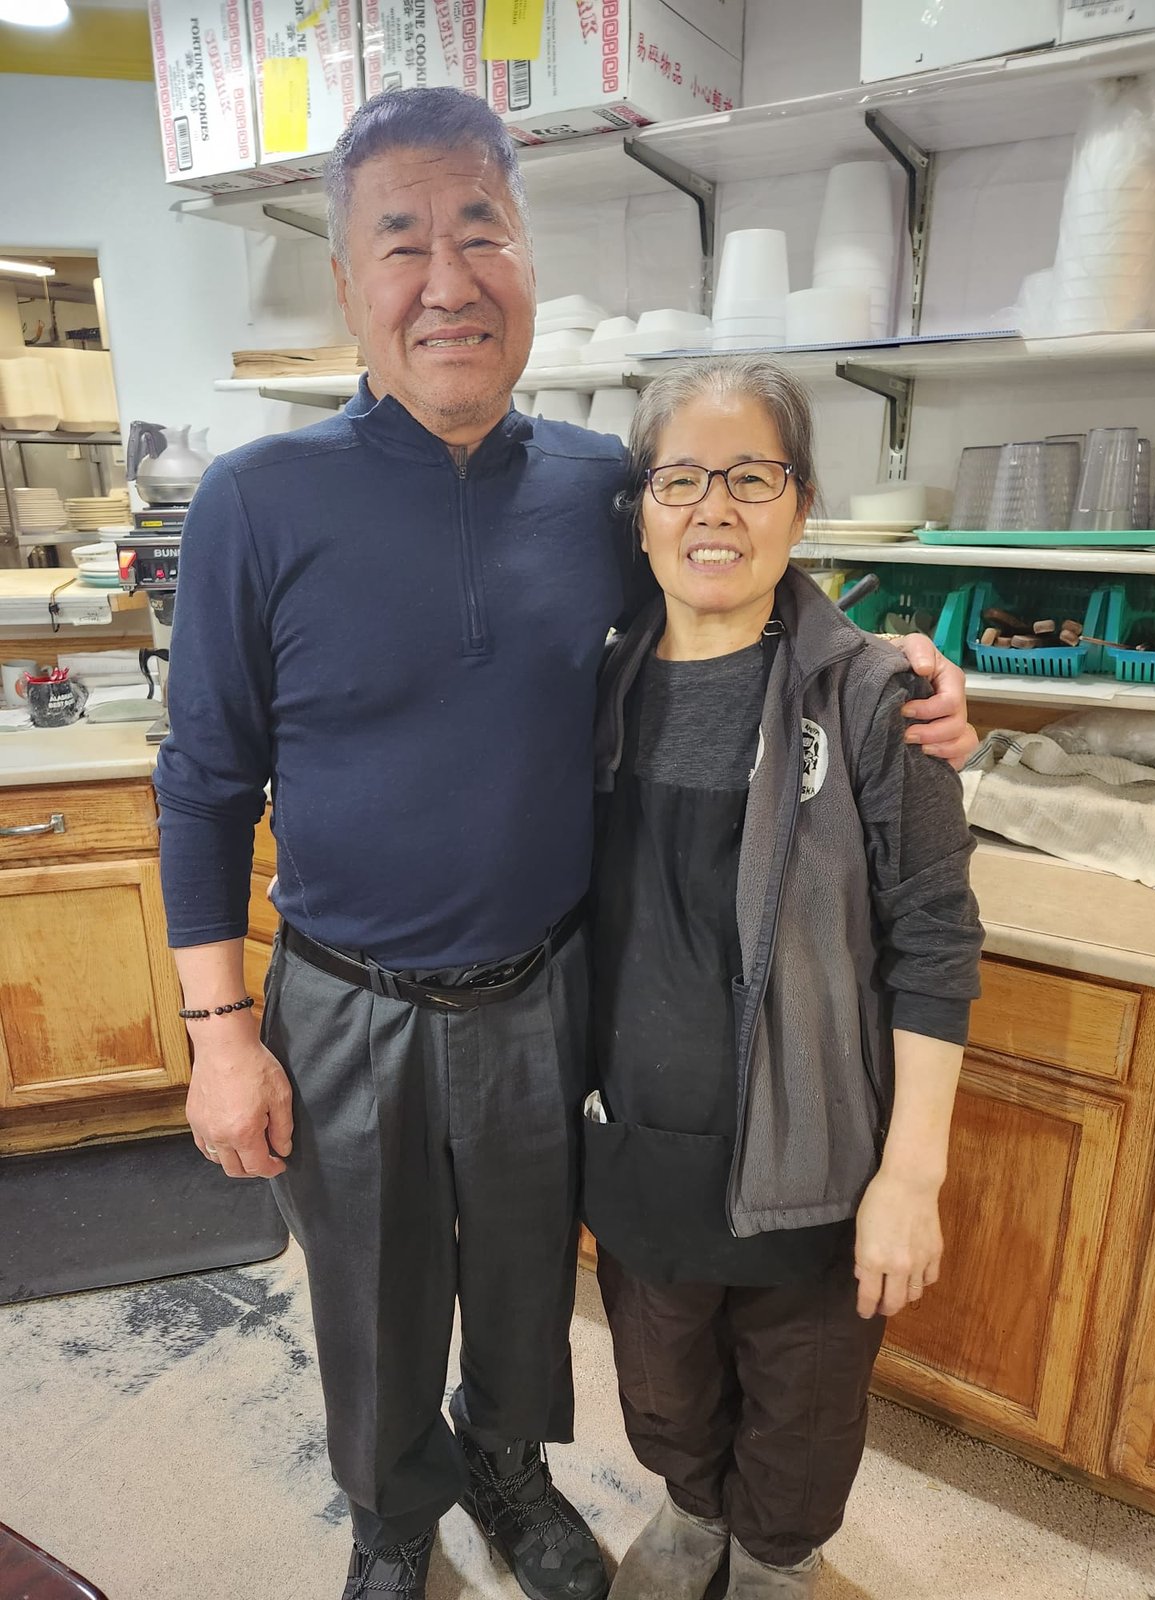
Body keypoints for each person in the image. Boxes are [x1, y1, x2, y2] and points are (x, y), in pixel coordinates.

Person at [154, 87, 977, 1600]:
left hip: (546, 990)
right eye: (401, 242)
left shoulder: (603, 485)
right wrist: (220, 1034)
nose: (447, 281)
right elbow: (201, 782)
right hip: (342, 997)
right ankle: (391, 1517)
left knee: (528, 1285)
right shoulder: (255, 502)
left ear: (530, 260)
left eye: (482, 232)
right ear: (347, 281)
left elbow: (734, 580)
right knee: (373, 1296)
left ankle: (507, 1468)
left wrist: (900, 670)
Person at [582, 358, 984, 1598]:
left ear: (802, 503)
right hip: (643, 1139)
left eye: (752, 477)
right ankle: (693, 1510)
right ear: (639, 512)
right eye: (681, 479)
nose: (714, 508)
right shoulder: (593, 682)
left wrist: (911, 1176)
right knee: (661, 1385)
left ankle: (773, 1552)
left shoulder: (876, 696)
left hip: (814, 1153)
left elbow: (936, 938)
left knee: (803, 1408)